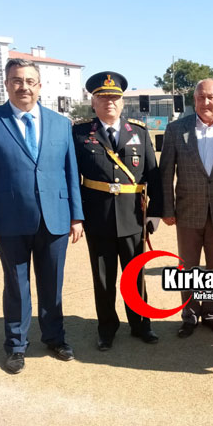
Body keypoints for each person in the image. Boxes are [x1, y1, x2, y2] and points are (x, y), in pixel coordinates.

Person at [0, 58, 84, 374]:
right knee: (17, 286)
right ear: (6, 84)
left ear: (40, 86)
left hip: (55, 218)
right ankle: (16, 346)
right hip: (10, 221)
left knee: (52, 284)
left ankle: (55, 337)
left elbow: (70, 172)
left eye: (30, 81)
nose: (24, 87)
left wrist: (76, 216)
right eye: (17, 80)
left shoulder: (60, 123)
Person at [73, 72, 163, 351]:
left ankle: (141, 324)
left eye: (114, 97)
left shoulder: (139, 132)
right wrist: (76, 215)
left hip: (133, 217)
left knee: (135, 275)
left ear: (123, 102)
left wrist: (155, 212)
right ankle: (106, 328)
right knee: (103, 278)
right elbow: (71, 178)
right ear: (93, 102)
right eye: (103, 98)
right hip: (97, 216)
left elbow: (153, 174)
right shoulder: (80, 134)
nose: (109, 102)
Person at [160, 79, 213, 338]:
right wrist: (167, 208)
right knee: (188, 267)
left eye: (211, 97)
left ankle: (211, 313)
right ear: (194, 100)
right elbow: (166, 172)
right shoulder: (176, 129)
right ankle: (189, 315)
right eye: (200, 97)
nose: (205, 102)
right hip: (187, 212)